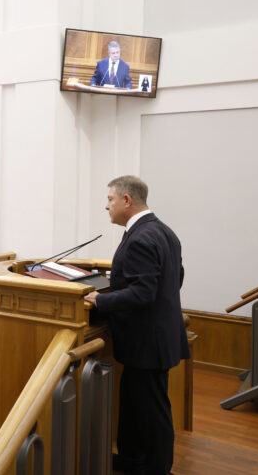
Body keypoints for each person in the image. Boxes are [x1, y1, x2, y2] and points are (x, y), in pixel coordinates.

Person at [84, 175, 189, 475]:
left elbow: (144, 292)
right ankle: (132, 460)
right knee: (135, 404)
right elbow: (175, 278)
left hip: (148, 342)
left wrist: (100, 300)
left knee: (152, 410)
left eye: (110, 200)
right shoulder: (163, 232)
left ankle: (157, 469)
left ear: (127, 201)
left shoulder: (142, 237)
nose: (107, 206)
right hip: (154, 337)